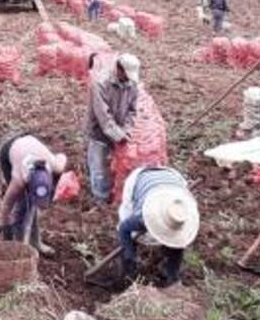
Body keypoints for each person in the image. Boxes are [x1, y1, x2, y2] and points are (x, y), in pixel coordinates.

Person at [117, 165, 199, 288]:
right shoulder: (144, 216)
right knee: (131, 237)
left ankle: (171, 276)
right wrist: (130, 253)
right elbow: (123, 229)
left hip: (173, 179)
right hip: (140, 179)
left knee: (176, 243)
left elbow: (179, 243)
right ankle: (128, 273)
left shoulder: (184, 213)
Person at [0, 132, 67, 255]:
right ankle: (19, 248)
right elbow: (6, 207)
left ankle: (36, 243)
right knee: (21, 207)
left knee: (32, 208)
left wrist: (58, 181)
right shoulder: (18, 180)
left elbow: (62, 156)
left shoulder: (56, 166)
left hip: (30, 142)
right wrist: (7, 234)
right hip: (9, 150)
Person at [84, 53, 140, 204]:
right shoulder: (100, 84)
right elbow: (103, 116)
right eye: (125, 75)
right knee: (99, 166)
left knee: (106, 163)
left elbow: (132, 111)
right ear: (118, 69)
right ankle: (100, 200)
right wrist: (119, 135)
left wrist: (126, 130)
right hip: (98, 132)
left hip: (118, 129)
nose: (128, 79)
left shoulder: (132, 85)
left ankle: (96, 178)